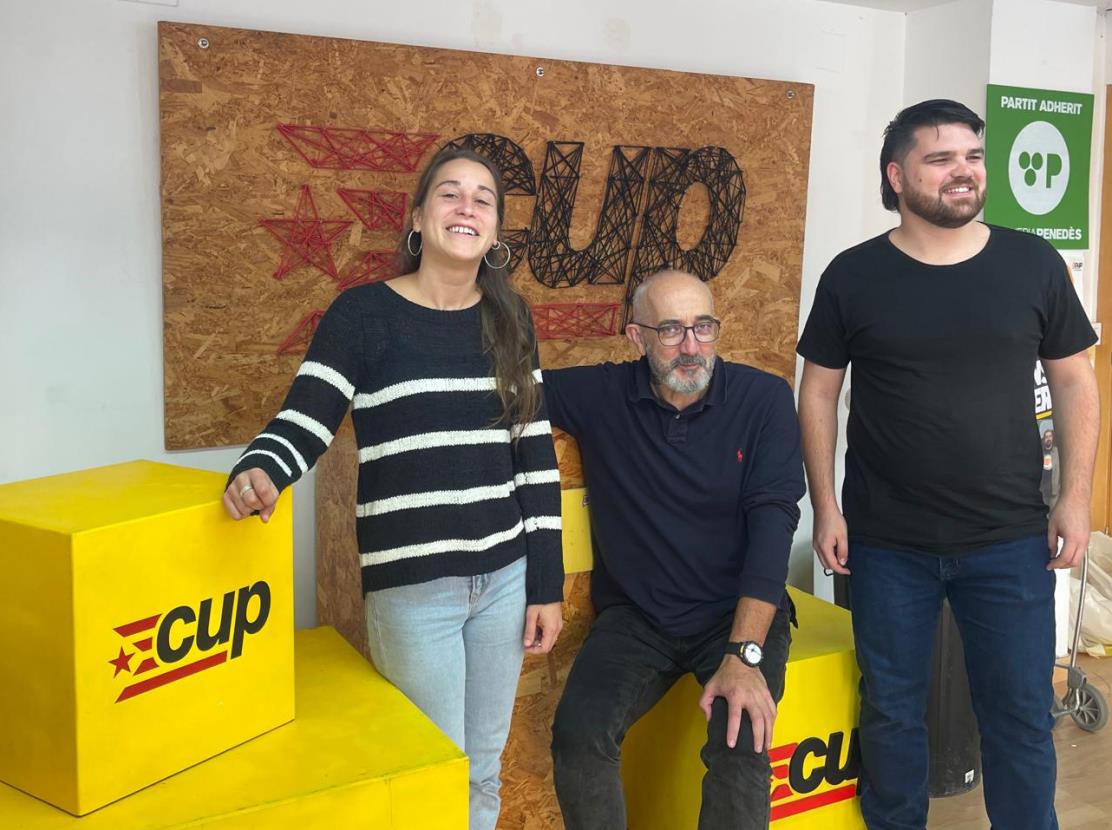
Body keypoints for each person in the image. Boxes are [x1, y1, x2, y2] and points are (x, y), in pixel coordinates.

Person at [222, 147, 565, 830]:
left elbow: (533, 455)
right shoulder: (363, 315)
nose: (466, 208)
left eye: (483, 199)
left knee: (481, 770)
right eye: (449, 193)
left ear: (495, 231)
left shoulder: (510, 319)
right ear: (417, 218)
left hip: (505, 582)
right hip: (414, 593)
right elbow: (306, 418)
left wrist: (546, 585)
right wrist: (262, 468)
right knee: (427, 777)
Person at [797, 99, 1099, 830]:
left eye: (973, 156)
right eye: (940, 159)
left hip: (1009, 538)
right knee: (891, 712)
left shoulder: (1032, 263)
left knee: (1019, 714)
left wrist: (1075, 496)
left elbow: (1074, 380)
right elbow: (818, 393)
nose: (963, 171)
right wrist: (826, 508)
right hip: (886, 539)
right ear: (897, 176)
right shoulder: (854, 275)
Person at [543, 269, 806, 830]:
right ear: (636, 338)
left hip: (734, 613)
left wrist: (745, 655)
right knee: (578, 737)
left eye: (703, 327)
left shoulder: (764, 400)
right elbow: (502, 390)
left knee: (741, 741)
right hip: (637, 617)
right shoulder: (602, 394)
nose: (691, 346)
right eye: (670, 330)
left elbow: (773, 528)